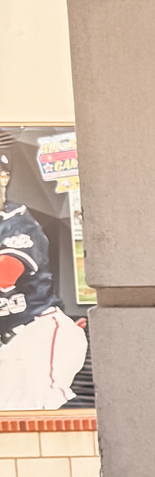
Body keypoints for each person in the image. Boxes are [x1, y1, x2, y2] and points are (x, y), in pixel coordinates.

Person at [0, 148, 87, 411]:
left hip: (38, 332)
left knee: (40, 407)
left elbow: (6, 272)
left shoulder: (16, 221)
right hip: (10, 347)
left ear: (4, 179)